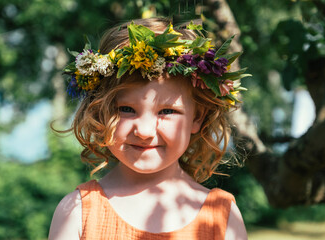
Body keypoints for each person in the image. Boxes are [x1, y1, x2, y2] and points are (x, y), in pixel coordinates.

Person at [49, 17, 249, 240]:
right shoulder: (78, 212)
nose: (144, 131)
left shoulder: (222, 217)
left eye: (167, 111)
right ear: (100, 113)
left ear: (198, 118)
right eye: (126, 109)